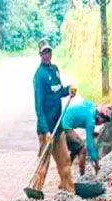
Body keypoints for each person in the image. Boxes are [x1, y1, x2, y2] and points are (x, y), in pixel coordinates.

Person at [33, 38, 76, 192]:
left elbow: (58, 92)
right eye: (44, 52)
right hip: (46, 130)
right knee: (43, 165)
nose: (47, 55)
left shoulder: (55, 70)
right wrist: (46, 131)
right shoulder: (39, 75)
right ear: (40, 54)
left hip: (58, 127)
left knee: (65, 162)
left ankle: (68, 191)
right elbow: (39, 106)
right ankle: (35, 193)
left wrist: (68, 90)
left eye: (48, 51)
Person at [61, 98, 111, 176]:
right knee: (82, 148)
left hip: (63, 119)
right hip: (64, 126)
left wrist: (91, 132)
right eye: (103, 121)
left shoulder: (91, 106)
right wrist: (96, 161)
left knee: (75, 148)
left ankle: (65, 173)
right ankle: (82, 176)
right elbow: (90, 145)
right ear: (99, 117)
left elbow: (82, 115)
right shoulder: (91, 120)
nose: (101, 124)